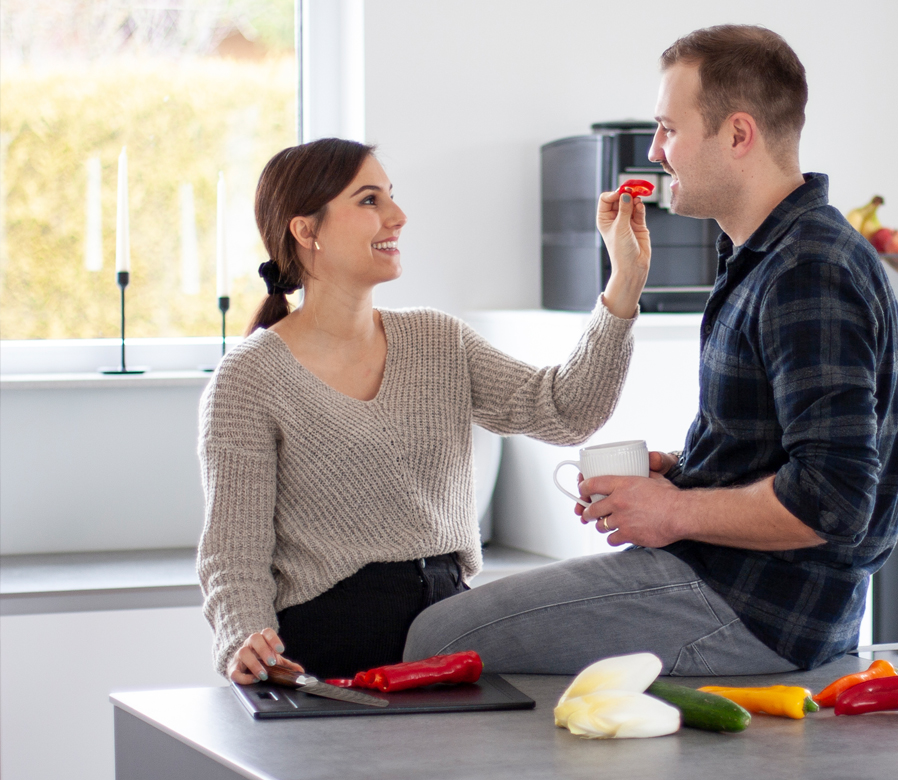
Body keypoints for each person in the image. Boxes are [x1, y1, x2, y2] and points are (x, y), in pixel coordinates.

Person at [404, 25, 898, 675]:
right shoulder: (765, 257)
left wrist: (673, 510)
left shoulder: (807, 268)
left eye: (669, 129)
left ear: (737, 134)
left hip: (761, 611)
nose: (654, 150)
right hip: (728, 581)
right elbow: (782, 448)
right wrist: (683, 472)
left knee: (436, 643)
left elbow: (834, 501)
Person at [197, 137, 650, 683]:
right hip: (323, 649)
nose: (398, 216)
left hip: (451, 630)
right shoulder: (249, 377)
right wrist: (244, 639)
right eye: (369, 201)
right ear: (306, 230)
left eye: (391, 196)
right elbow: (233, 555)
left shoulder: (439, 340)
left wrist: (623, 284)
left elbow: (566, 411)